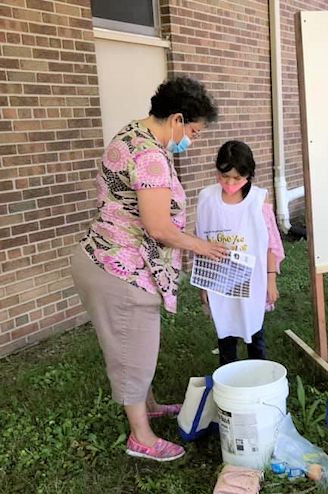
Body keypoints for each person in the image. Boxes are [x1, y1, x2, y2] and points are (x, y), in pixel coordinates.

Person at [71, 76, 228, 462]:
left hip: (105, 258)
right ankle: (141, 436)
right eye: (192, 130)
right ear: (176, 119)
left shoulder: (131, 134)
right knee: (131, 354)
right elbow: (158, 227)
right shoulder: (151, 157)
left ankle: (149, 404)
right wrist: (201, 246)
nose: (191, 139)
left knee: (135, 346)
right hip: (121, 270)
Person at [195, 140, 284, 365]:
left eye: (237, 178)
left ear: (248, 175)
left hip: (252, 281)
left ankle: (260, 377)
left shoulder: (258, 201)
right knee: (225, 334)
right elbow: (200, 240)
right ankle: (230, 379)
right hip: (219, 278)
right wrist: (203, 284)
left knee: (255, 334)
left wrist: (271, 279)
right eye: (225, 177)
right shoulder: (207, 199)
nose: (230, 183)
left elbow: (270, 243)